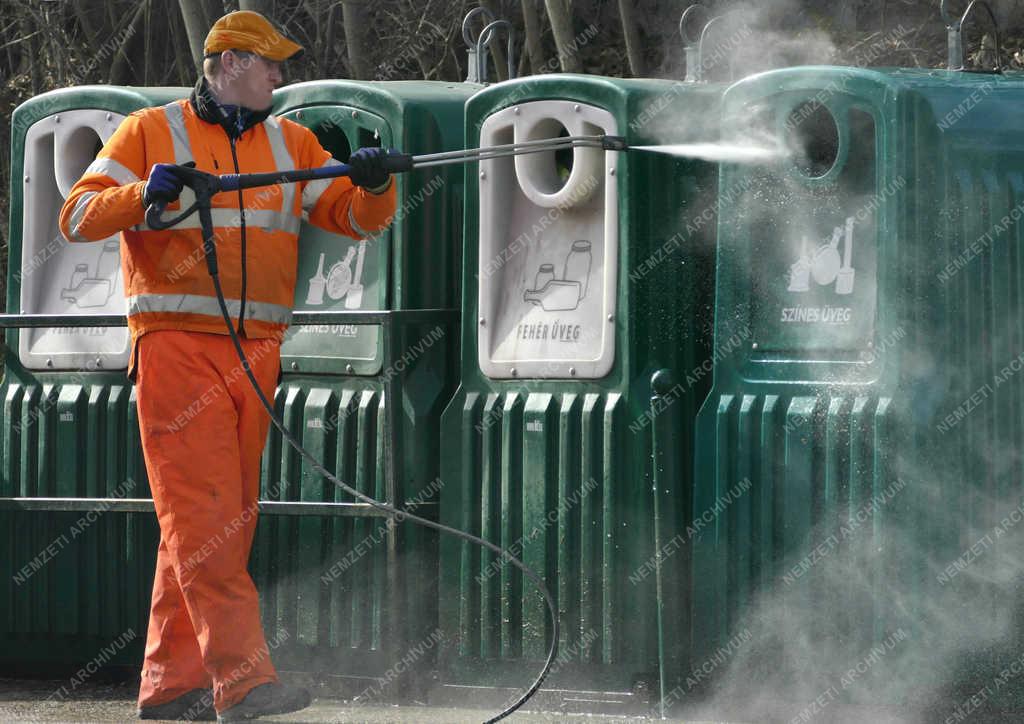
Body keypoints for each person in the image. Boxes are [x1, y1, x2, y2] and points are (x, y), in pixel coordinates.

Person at [59, 10, 397, 722]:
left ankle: (170, 686)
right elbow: (78, 216)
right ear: (229, 63)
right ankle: (242, 684)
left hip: (256, 354)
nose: (280, 76)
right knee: (204, 520)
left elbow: (355, 218)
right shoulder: (150, 129)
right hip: (176, 349)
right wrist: (142, 195)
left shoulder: (291, 139)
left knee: (216, 524)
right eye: (270, 64)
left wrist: (373, 184)